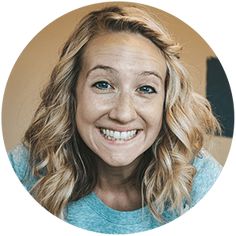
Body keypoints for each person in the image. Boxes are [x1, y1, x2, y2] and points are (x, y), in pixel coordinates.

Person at [8, 5, 222, 234]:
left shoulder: (201, 179)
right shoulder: (26, 169)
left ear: (166, 103)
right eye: (103, 84)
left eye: (146, 88)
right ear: (72, 93)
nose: (123, 114)